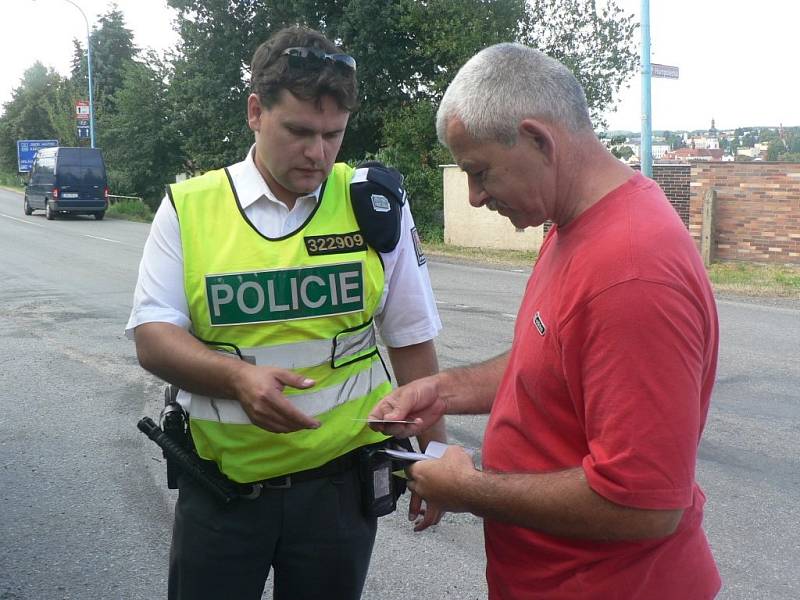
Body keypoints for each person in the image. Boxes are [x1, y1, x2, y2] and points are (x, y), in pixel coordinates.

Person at [369, 42, 721, 599]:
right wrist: (441, 391)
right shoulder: (573, 223)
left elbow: (646, 506)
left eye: (480, 172)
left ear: (538, 139)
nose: (476, 196)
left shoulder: (631, 271)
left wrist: (470, 488)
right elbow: (557, 356)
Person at [126, 26, 446, 600]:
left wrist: (436, 459)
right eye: (299, 131)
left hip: (339, 493)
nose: (318, 153)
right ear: (255, 111)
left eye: (333, 135)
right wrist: (237, 379)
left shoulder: (373, 204)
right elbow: (152, 337)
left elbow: (413, 343)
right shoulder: (190, 208)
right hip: (222, 490)